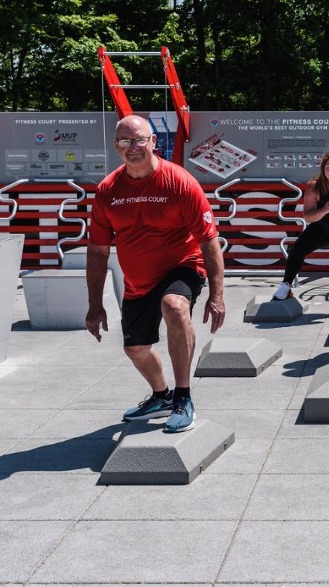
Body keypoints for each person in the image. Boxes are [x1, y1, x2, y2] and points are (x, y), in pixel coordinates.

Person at [85, 114, 225, 432]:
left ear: (153, 142)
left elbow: (209, 241)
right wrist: (95, 305)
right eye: (125, 140)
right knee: (135, 348)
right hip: (139, 281)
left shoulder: (180, 182)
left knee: (174, 306)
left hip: (183, 266)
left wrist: (217, 295)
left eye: (139, 139)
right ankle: (162, 396)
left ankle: (183, 397)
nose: (133, 147)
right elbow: (98, 252)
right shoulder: (107, 191)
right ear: (116, 145)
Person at [272, 149, 329, 300]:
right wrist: (324, 210)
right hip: (324, 228)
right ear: (323, 169)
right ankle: (286, 286)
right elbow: (308, 216)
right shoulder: (314, 185)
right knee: (297, 250)